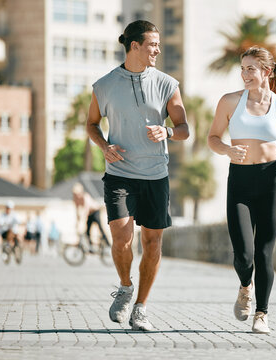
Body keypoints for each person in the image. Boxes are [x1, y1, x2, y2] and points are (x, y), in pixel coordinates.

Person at [86, 20, 189, 331]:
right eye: (152, 45)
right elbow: (91, 124)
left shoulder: (168, 84)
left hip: (156, 175)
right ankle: (125, 286)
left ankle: (141, 307)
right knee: (121, 239)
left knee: (152, 242)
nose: (157, 50)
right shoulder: (103, 86)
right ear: (134, 46)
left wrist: (168, 131)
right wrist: (103, 145)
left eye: (157, 45)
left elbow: (185, 129)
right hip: (119, 173)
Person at [207, 46, 276, 334]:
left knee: (263, 252)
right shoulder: (229, 102)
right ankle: (244, 286)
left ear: (266, 71)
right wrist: (226, 149)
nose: (244, 74)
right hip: (239, 179)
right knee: (243, 255)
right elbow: (213, 138)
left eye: (250, 68)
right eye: (242, 68)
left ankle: (262, 313)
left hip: (272, 179)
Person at [72, 183, 108, 252]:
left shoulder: (86, 197)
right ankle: (91, 246)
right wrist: (77, 221)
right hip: (89, 215)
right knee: (87, 231)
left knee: (100, 228)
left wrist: (82, 219)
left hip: (95, 212)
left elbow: (86, 209)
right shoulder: (76, 199)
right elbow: (77, 211)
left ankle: (107, 244)